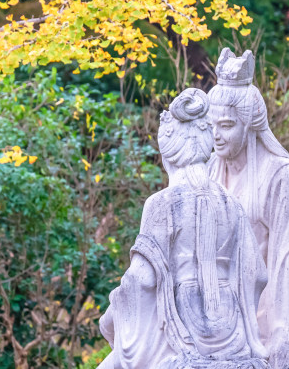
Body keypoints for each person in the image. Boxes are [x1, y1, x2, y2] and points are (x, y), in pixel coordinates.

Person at [98, 88, 269, 369]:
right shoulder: (232, 204)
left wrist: (115, 307)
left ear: (168, 156)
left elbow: (141, 280)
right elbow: (258, 274)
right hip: (233, 331)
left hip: (180, 324)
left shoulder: (162, 203)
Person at [208, 48, 289, 369]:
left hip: (263, 310)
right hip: (211, 312)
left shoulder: (282, 175)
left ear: (250, 125)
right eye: (211, 126)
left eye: (225, 126)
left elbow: (288, 254)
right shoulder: (209, 172)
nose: (215, 136)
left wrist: (280, 329)